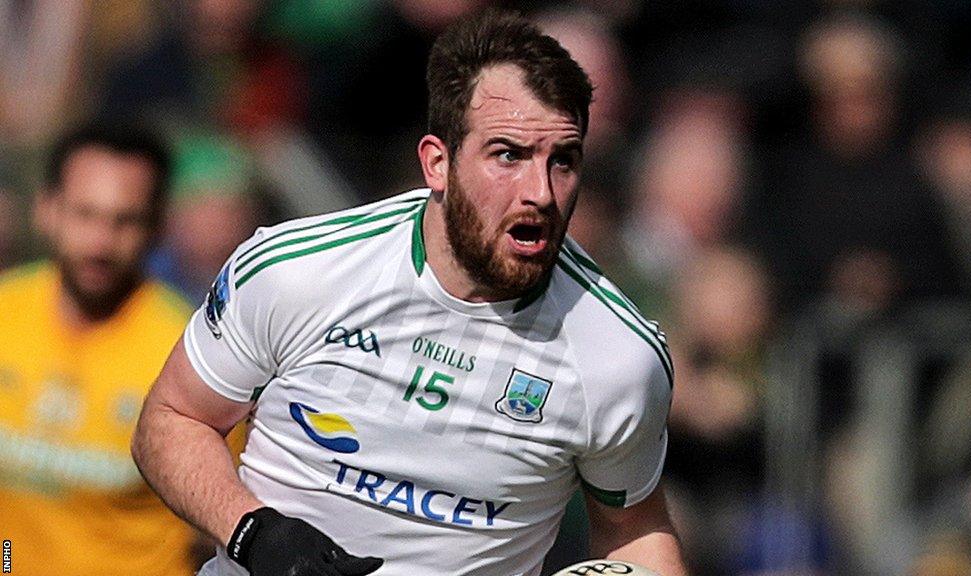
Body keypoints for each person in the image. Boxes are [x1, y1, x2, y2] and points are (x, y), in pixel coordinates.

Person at [132, 10, 686, 576]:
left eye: (562, 160)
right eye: (508, 155)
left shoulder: (619, 356)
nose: (540, 192)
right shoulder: (298, 272)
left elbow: (636, 533)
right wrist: (253, 532)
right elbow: (173, 419)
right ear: (437, 163)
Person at [0, 123, 195, 575]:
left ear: (158, 226)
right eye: (85, 214)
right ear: (47, 209)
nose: (101, 244)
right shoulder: (4, 313)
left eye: (124, 220)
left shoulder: (190, 354)